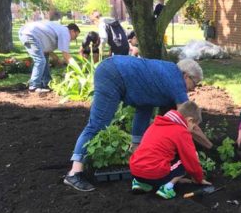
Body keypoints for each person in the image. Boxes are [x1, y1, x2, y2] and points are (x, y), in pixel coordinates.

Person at [64, 56, 212, 192]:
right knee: (98, 124)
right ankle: (74, 172)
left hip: (115, 68)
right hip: (113, 73)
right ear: (186, 76)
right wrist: (210, 146)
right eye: (195, 83)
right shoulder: (177, 82)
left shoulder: (165, 75)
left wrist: (137, 146)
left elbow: (144, 108)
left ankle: (136, 158)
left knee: (145, 107)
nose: (193, 89)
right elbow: (186, 120)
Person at [129, 102, 212, 199]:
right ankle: (167, 187)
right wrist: (199, 178)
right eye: (193, 127)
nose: (192, 130)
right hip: (155, 174)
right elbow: (191, 159)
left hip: (135, 171)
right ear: (189, 120)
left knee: (158, 156)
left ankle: (139, 183)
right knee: (188, 158)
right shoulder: (181, 131)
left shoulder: (156, 124)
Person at [18, 21, 80, 92]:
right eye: (75, 36)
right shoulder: (65, 32)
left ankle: (46, 82)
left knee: (45, 57)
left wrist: (57, 59)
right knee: (40, 60)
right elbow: (66, 55)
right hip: (29, 34)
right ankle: (34, 85)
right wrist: (77, 69)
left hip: (28, 32)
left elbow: (48, 51)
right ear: (72, 31)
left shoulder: (60, 30)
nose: (73, 39)